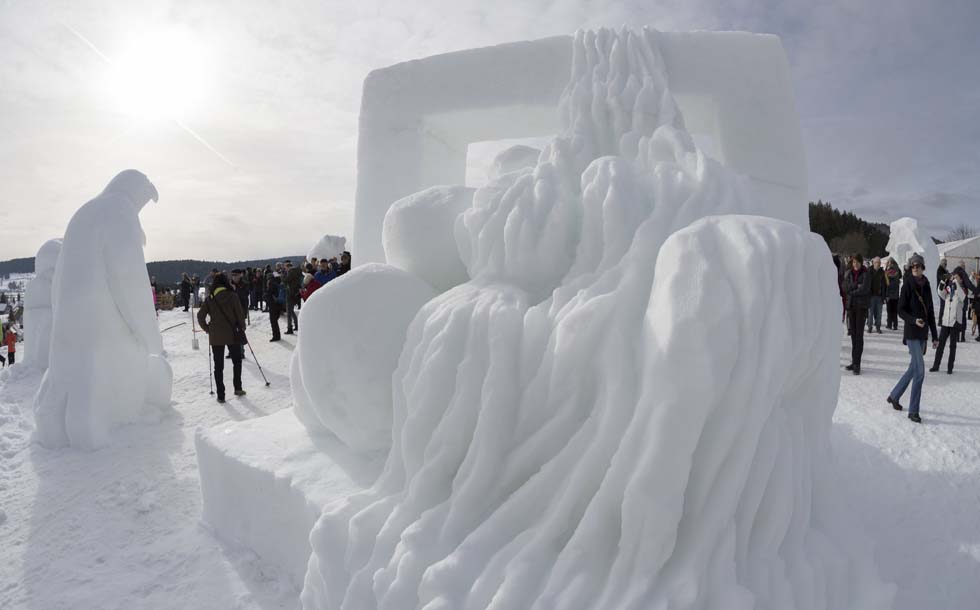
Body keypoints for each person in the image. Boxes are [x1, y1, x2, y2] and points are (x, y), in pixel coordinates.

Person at [887, 254, 938, 424]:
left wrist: (935, 336)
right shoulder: (907, 285)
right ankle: (913, 411)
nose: (915, 268)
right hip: (911, 334)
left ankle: (894, 395)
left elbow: (930, 312)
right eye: (913, 266)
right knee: (920, 371)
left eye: (918, 266)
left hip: (922, 335)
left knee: (912, 369)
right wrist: (913, 320)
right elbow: (901, 310)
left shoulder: (927, 285)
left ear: (923, 267)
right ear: (910, 268)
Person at [196, 273, 247, 403]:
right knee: (237, 361)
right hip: (233, 334)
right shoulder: (233, 296)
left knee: (218, 366)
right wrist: (242, 327)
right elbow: (240, 315)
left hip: (216, 336)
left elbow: (200, 316)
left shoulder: (210, 299)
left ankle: (221, 395)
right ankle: (238, 387)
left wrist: (208, 329)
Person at [931, 270, 966, 374]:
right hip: (946, 321)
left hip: (955, 322)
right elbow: (940, 293)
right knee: (940, 345)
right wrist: (943, 281)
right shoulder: (949, 289)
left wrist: (955, 282)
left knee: (952, 346)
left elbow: (963, 297)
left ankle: (950, 367)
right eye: (953, 276)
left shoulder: (962, 289)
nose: (954, 278)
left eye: (956, 277)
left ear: (960, 279)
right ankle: (936, 365)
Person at [843, 253, 870, 374]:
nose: (855, 264)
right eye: (854, 262)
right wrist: (855, 286)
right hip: (851, 307)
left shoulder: (866, 274)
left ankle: (857, 364)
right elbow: (845, 287)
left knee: (859, 336)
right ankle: (853, 361)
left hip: (861, 308)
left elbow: (864, 289)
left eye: (857, 262)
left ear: (861, 262)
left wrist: (852, 291)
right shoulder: (848, 273)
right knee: (853, 335)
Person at [867, 256, 885, 334]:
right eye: (877, 262)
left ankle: (878, 327)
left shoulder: (882, 272)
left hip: (879, 296)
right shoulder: (869, 271)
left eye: (879, 263)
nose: (878, 264)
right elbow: (866, 284)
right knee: (870, 313)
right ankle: (869, 327)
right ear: (873, 263)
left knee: (879, 313)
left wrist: (884, 296)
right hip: (871, 296)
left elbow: (885, 285)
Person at [284, 260, 303, 335]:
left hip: (290, 294)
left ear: (288, 267)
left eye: (285, 267)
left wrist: (282, 276)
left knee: (289, 312)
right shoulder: (297, 272)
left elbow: (286, 280)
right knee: (291, 311)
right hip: (296, 293)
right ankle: (296, 325)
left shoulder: (291, 272)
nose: (285, 269)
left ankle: (289, 328)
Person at [884, 257, 901, 330]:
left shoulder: (888, 270)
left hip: (889, 294)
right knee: (895, 311)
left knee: (889, 310)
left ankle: (889, 324)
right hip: (896, 294)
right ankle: (895, 325)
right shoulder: (898, 270)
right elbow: (900, 276)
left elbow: (886, 280)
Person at [266, 270, 284, 342]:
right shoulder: (278, 282)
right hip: (279, 304)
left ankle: (276, 336)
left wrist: (265, 295)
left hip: (273, 305)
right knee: (275, 321)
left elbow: (269, 295)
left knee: (273, 322)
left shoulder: (271, 284)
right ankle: (277, 335)